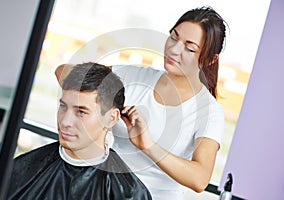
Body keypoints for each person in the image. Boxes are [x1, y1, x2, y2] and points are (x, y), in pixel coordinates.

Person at [56, 6, 227, 199]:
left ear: (210, 60)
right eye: (173, 37)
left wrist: (147, 144)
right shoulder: (131, 76)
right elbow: (62, 72)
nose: (174, 49)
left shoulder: (209, 111)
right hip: (104, 191)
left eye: (189, 48)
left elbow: (199, 179)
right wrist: (108, 102)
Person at [7, 62, 152, 200]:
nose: (65, 122)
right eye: (63, 107)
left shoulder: (130, 194)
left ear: (111, 118)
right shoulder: (21, 169)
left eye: (81, 112)